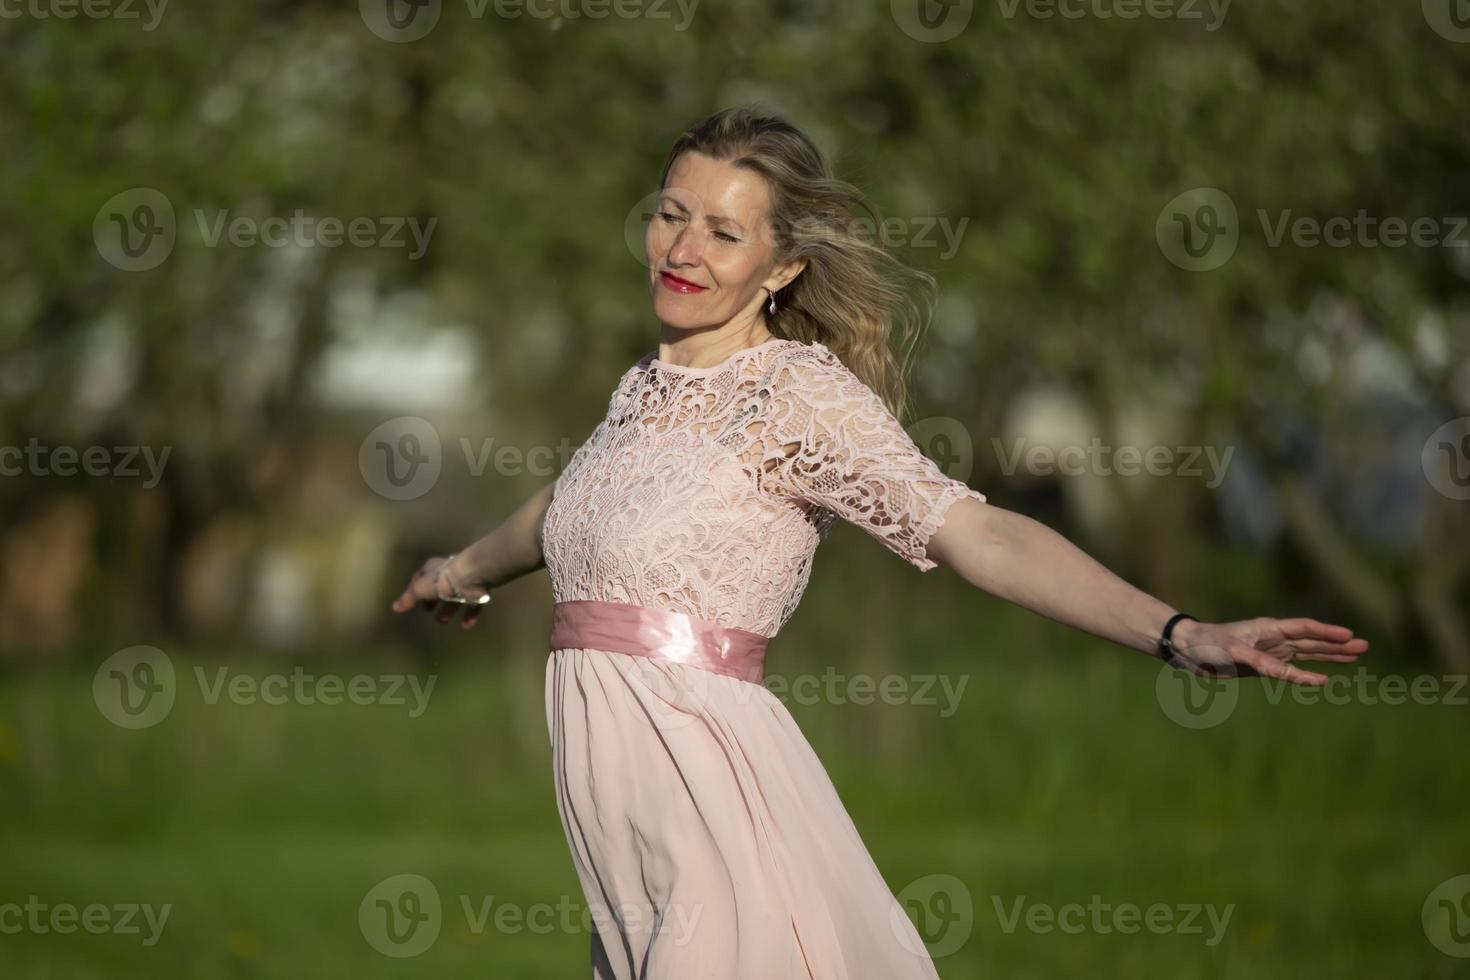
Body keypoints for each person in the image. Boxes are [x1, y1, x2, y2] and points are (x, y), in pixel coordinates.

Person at [391, 106, 1368, 979]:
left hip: (714, 819)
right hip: (628, 850)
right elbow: (570, 507)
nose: (682, 246)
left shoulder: (798, 396)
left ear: (781, 266)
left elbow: (975, 529)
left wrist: (1180, 632)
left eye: (724, 230)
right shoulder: (646, 386)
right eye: (671, 212)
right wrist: (458, 573)